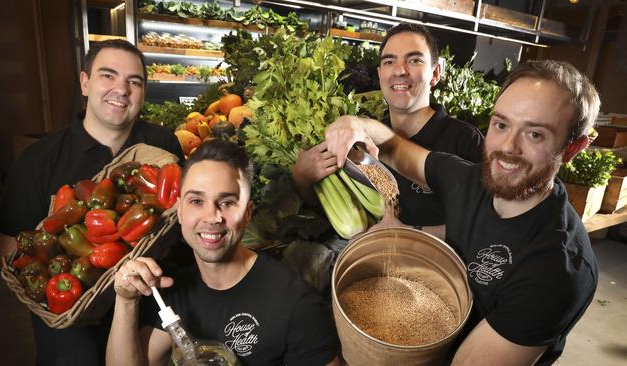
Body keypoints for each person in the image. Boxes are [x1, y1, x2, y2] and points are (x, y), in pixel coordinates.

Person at [323, 60, 599, 365]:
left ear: (572, 149)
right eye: (501, 124)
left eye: (535, 134)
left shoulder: (555, 269)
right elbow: (393, 147)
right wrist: (356, 124)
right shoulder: (468, 180)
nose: (508, 147)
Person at [0, 39, 184, 366]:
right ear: (85, 83)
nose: (121, 89)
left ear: (143, 92)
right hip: (72, 314)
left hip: (150, 299)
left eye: (134, 81)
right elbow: (14, 252)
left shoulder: (162, 143)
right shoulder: (38, 160)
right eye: (107, 76)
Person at [107, 139, 340, 366]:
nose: (211, 217)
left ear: (248, 214)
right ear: (179, 211)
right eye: (196, 201)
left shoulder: (297, 306)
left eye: (227, 203)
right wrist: (126, 300)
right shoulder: (175, 290)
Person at [292, 23, 484, 237]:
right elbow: (333, 206)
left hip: (436, 266)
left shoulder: (465, 140)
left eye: (414, 60)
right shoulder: (359, 141)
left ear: (436, 72)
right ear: (380, 73)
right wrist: (302, 180)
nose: (400, 71)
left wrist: (410, 233)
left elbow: (485, 225)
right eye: (389, 61)